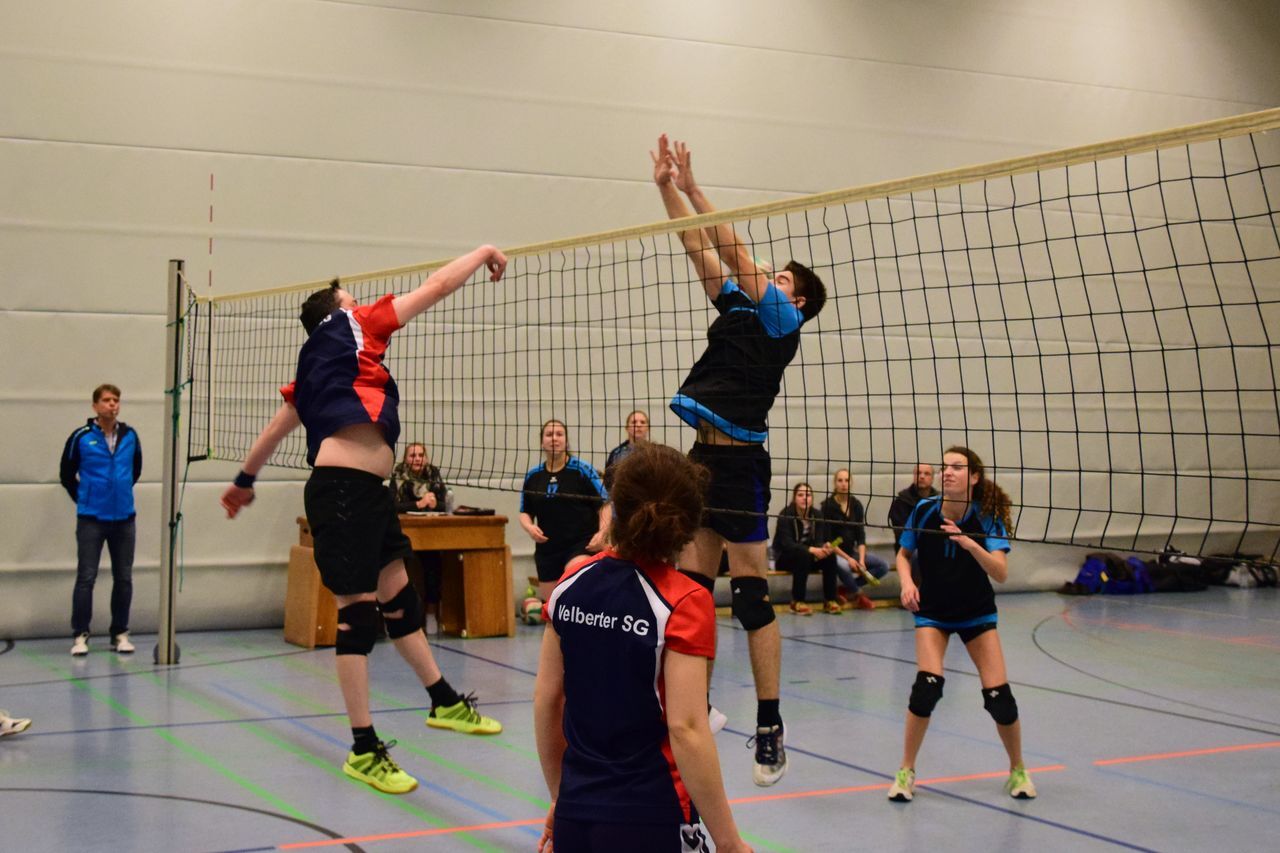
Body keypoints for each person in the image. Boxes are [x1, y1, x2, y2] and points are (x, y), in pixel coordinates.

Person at [220, 244, 508, 795]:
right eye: (351, 297)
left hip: (366, 495)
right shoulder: (350, 323)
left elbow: (278, 428)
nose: (360, 301)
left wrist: (244, 481)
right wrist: (483, 252)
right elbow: (439, 285)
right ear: (336, 309)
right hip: (343, 494)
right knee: (359, 620)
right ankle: (363, 749)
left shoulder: (321, 363)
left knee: (401, 600)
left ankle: (443, 702)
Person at [653, 134, 828, 786]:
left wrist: (697, 187)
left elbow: (731, 247)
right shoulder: (736, 306)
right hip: (703, 460)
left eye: (782, 278)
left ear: (798, 299)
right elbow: (696, 245)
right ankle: (696, 702)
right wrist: (665, 188)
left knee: (751, 598)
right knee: (692, 594)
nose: (770, 279)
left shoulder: (783, 319)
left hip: (744, 466)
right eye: (772, 275)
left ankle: (771, 723)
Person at [534, 443, 752, 853]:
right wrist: (729, 842)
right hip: (651, 814)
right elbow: (686, 729)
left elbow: (548, 701)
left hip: (577, 814)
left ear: (615, 508)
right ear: (688, 525)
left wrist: (561, 797)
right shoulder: (684, 602)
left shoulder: (570, 584)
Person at [887, 446, 1035, 803]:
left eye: (956, 467)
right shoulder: (924, 510)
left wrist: (971, 545)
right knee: (927, 687)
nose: (947, 472)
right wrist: (907, 582)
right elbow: (903, 556)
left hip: (976, 613)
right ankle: (906, 771)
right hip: (934, 611)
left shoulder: (986, 517)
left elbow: (1000, 572)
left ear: (973, 478)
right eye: (945, 467)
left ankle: (1018, 769)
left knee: (1000, 699)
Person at [60, 383, 142, 657]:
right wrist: (86, 497)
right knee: (86, 577)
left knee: (124, 577)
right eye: (107, 400)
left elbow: (135, 469)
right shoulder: (81, 437)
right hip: (91, 519)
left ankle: (120, 633)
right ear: (95, 405)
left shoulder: (130, 436)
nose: (112, 405)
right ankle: (80, 635)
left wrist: (120, 493)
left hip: (124, 519)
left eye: (116, 400)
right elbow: (66, 473)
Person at [519, 420, 611, 607]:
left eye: (559, 434)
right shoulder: (533, 476)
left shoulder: (582, 470)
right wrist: (529, 527)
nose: (554, 439)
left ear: (566, 441)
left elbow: (606, 504)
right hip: (548, 549)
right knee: (554, 609)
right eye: (549, 435)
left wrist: (602, 533)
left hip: (581, 544)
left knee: (577, 595)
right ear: (542, 442)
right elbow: (524, 511)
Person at [389, 442, 448, 633]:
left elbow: (443, 504)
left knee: (433, 565)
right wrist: (419, 504)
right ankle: (398, 615)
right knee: (397, 567)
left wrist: (433, 504)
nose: (417, 459)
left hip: (429, 533)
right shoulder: (398, 475)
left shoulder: (433, 474)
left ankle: (431, 614)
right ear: (406, 459)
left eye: (421, 455)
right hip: (403, 532)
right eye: (412, 455)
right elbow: (393, 506)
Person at [820, 468, 890, 610]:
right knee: (845, 566)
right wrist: (848, 559)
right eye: (840, 480)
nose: (843, 484)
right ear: (835, 483)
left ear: (851, 483)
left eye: (846, 480)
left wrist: (862, 560)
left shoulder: (856, 505)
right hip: (834, 553)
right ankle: (859, 595)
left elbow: (860, 535)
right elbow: (828, 540)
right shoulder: (827, 506)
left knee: (883, 566)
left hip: (852, 552)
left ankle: (847, 589)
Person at [772, 483, 837, 615]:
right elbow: (787, 544)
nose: (804, 498)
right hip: (784, 558)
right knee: (803, 555)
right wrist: (812, 550)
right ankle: (797, 601)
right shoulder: (785, 515)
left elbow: (819, 539)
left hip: (808, 557)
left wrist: (823, 548)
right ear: (794, 498)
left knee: (830, 556)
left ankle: (830, 600)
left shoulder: (817, 515)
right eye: (800, 495)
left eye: (808, 495)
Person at [887, 463, 937, 551]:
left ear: (932, 478)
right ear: (914, 476)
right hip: (908, 549)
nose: (922, 476)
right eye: (918, 473)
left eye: (927, 473)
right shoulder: (901, 500)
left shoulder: (939, 500)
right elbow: (901, 533)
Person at [603, 409, 649, 488]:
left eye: (642, 422)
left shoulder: (655, 453)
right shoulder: (617, 453)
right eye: (634, 422)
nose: (638, 425)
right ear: (627, 428)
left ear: (648, 428)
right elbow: (608, 481)